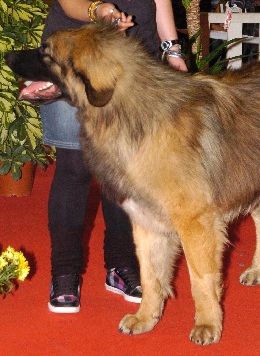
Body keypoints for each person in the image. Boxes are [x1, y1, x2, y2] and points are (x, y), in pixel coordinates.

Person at [38, 0, 187, 313]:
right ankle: (64, 274)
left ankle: (121, 265)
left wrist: (172, 50)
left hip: (132, 60)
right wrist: (100, 13)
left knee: (124, 171)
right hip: (73, 60)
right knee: (74, 167)